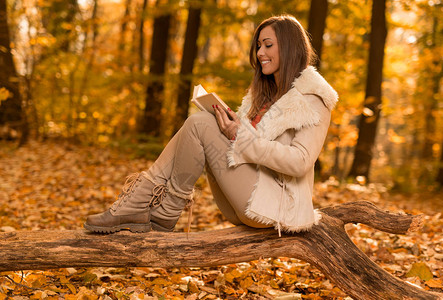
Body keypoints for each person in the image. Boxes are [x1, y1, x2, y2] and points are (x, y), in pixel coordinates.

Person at [84, 14, 338, 235]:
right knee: (202, 121)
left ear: (290, 47)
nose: (260, 53)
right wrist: (235, 129)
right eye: (259, 45)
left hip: (278, 207)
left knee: (199, 123)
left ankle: (157, 208)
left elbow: (300, 162)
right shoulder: (265, 95)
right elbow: (249, 146)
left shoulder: (313, 96)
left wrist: (241, 136)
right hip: (248, 197)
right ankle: (151, 207)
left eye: (268, 45)